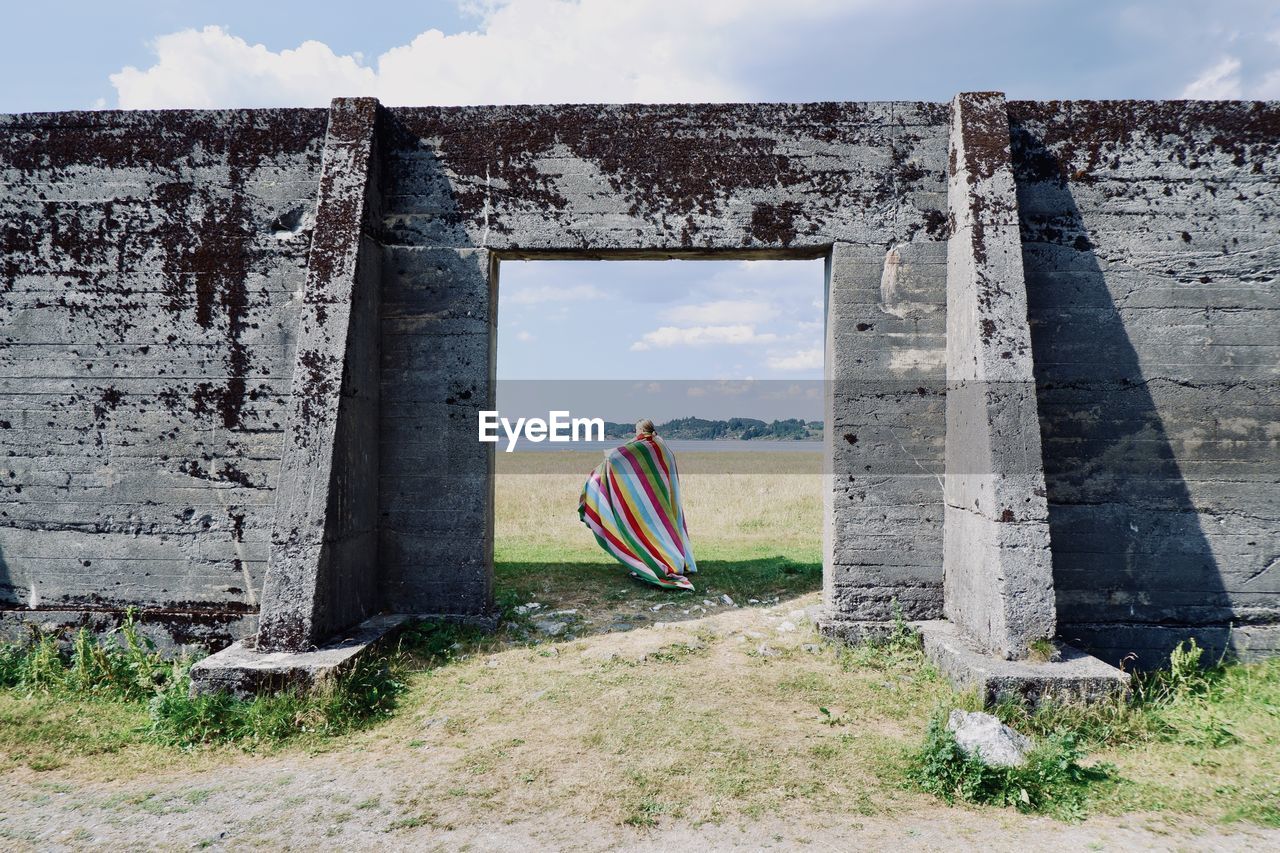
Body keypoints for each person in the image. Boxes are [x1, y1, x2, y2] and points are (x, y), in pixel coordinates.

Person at [578, 418, 698, 590]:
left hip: (647, 501)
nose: (636, 432)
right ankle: (673, 559)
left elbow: (614, 457)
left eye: (636, 429)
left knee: (646, 533)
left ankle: (656, 563)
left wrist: (599, 475)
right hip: (660, 497)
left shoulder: (643, 445)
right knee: (663, 530)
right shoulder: (660, 445)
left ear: (641, 429)